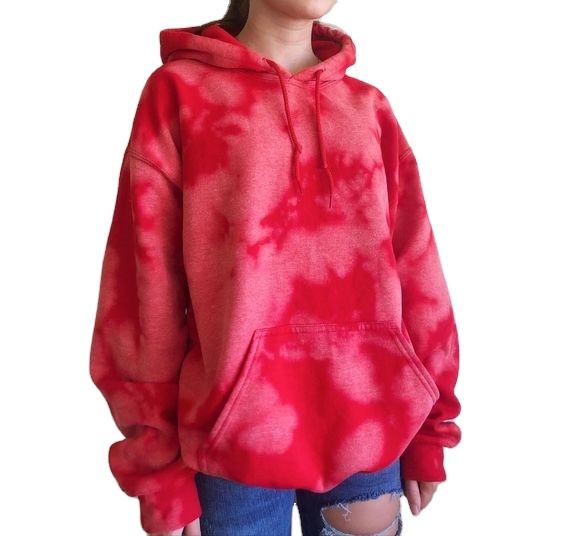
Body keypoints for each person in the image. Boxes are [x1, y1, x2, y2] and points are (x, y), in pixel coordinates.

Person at [88, 1, 462, 535]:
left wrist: (431, 427)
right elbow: (143, 293)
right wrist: (157, 468)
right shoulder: (180, 94)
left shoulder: (369, 108)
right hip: (231, 446)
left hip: (370, 427)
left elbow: (417, 270)